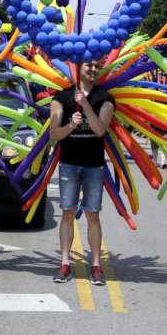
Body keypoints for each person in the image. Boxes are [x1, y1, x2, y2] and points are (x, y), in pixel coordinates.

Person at [49, 58, 115, 285]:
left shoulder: (104, 98)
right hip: (69, 163)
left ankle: (96, 266)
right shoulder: (61, 97)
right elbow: (53, 134)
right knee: (67, 213)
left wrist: (86, 105)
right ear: (78, 68)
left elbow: (99, 131)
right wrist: (70, 126)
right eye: (89, 65)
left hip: (94, 166)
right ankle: (65, 263)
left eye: (97, 66)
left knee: (93, 215)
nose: (94, 69)